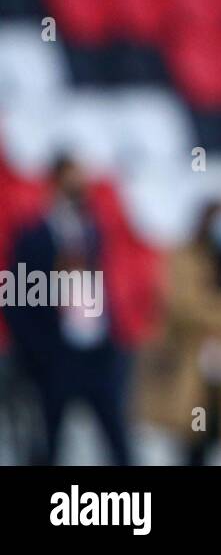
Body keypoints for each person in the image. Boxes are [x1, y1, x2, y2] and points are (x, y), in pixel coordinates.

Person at [3, 154, 133, 465]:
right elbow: (16, 299)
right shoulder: (34, 237)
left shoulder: (94, 232)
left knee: (118, 439)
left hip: (96, 353)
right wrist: (40, 351)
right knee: (49, 442)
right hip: (57, 357)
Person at [135, 200, 221, 465]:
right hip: (189, 362)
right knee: (189, 439)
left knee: (213, 435)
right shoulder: (185, 256)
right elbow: (183, 306)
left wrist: (218, 316)